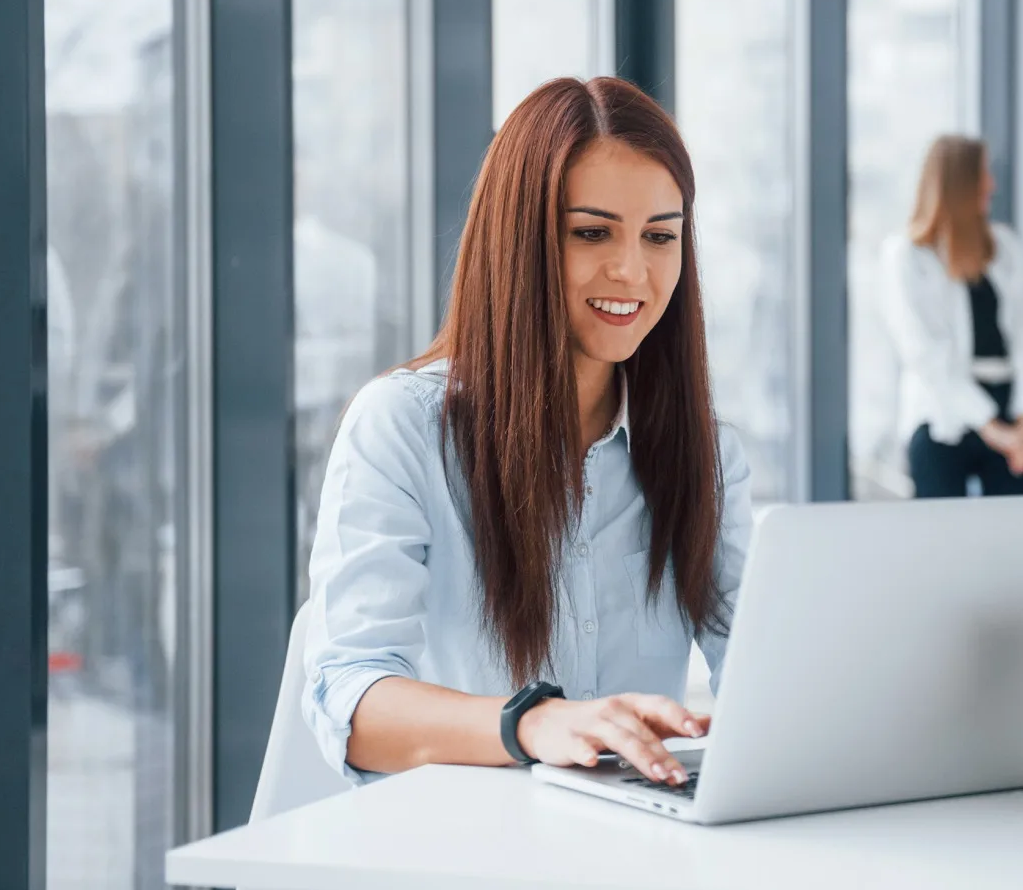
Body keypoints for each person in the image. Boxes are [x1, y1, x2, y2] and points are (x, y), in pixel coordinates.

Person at [301, 76, 752, 792]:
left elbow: (760, 672)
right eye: (591, 232)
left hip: (624, 870)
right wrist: (532, 723)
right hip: (460, 865)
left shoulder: (706, 453)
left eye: (660, 237)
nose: (632, 271)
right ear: (520, 239)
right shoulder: (401, 427)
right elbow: (349, 699)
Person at [881, 135, 1023, 499]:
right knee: (944, 543)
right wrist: (993, 430)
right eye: (983, 173)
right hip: (941, 414)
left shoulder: (1003, 245)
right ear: (959, 182)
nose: (992, 184)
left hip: (1007, 406)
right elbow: (925, 354)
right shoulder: (907, 255)